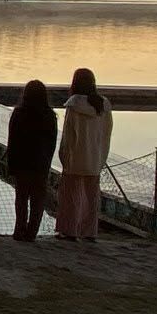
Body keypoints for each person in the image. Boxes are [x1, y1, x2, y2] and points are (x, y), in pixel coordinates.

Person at [56, 68, 114, 241]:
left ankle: (69, 230)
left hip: (75, 157)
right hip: (95, 157)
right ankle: (89, 232)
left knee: (70, 195)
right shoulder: (103, 105)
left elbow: (68, 134)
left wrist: (64, 155)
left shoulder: (74, 104)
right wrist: (102, 156)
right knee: (92, 197)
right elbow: (106, 134)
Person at [7, 79, 58, 241]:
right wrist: (48, 161)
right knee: (38, 199)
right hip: (40, 162)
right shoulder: (50, 116)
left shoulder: (18, 113)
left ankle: (19, 228)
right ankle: (32, 231)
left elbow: (12, 140)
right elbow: (52, 142)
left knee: (21, 197)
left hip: (22, 161)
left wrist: (11, 163)